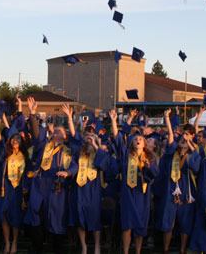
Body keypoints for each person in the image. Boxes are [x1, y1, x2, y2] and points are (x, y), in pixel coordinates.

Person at [25, 97, 76, 253]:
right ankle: (37, 247)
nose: (56, 134)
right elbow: (36, 133)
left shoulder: (68, 152)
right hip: (40, 184)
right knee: (35, 215)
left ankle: (56, 249)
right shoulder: (43, 147)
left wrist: (67, 172)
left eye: (60, 132)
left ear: (65, 137)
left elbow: (75, 166)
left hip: (57, 187)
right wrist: (32, 114)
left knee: (55, 219)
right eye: (54, 132)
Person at [109, 109, 159, 254]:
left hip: (142, 195)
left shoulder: (149, 158)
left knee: (140, 226)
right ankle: (125, 251)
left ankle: (137, 251)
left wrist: (148, 166)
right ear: (132, 143)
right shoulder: (125, 155)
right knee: (127, 225)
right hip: (127, 194)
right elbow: (118, 137)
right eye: (136, 139)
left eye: (141, 139)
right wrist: (113, 121)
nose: (138, 140)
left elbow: (155, 174)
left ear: (144, 144)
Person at [67, 104, 113, 254]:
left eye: (92, 137)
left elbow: (105, 165)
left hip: (93, 191)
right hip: (79, 190)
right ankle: (84, 246)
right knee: (80, 219)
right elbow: (74, 136)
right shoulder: (78, 153)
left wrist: (96, 145)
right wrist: (70, 117)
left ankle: (97, 246)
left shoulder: (100, 154)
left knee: (94, 219)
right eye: (87, 137)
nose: (89, 139)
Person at [156, 109, 201, 254]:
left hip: (187, 191)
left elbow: (196, 168)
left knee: (185, 223)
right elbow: (170, 136)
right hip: (171, 189)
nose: (184, 137)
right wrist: (166, 118)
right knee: (168, 222)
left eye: (187, 135)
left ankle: (182, 250)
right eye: (183, 134)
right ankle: (166, 249)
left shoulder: (193, 153)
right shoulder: (173, 149)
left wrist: (188, 150)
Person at [0, 116, 27, 254]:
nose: (15, 140)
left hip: (17, 189)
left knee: (15, 216)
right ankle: (7, 242)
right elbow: (0, 141)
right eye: (13, 138)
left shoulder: (24, 155)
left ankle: (15, 242)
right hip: (4, 188)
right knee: (4, 215)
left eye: (18, 139)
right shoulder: (5, 153)